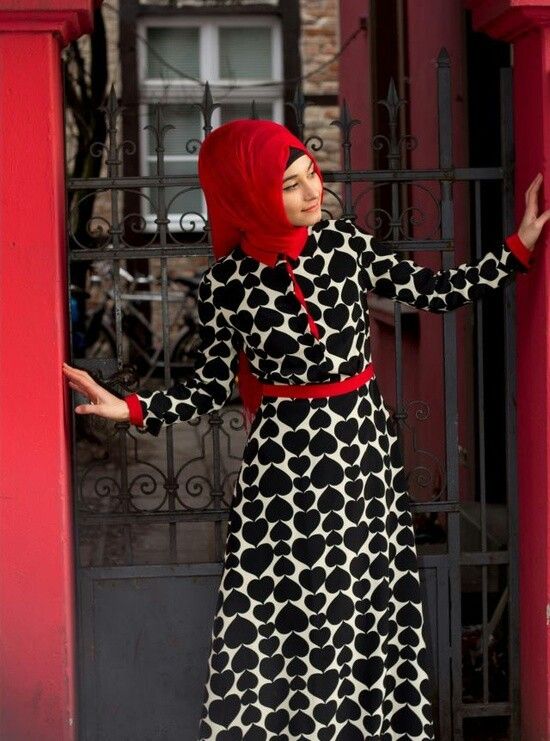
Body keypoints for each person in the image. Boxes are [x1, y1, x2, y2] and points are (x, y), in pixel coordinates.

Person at [63, 119, 547, 740]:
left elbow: (432, 291)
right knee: (300, 612)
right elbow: (209, 387)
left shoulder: (344, 244)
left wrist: (516, 248)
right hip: (286, 469)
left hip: (362, 454)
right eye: (289, 185)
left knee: (368, 602)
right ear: (250, 196)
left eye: (310, 175)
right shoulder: (226, 287)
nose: (312, 191)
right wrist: (130, 408)